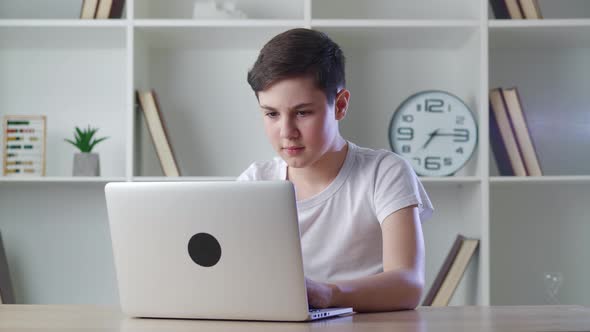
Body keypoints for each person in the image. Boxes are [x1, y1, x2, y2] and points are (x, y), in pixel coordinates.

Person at [237, 28, 434, 313]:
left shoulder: (385, 172)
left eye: (303, 113)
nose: (287, 132)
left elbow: (408, 285)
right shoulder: (255, 182)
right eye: (271, 114)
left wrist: (328, 294)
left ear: (339, 105)